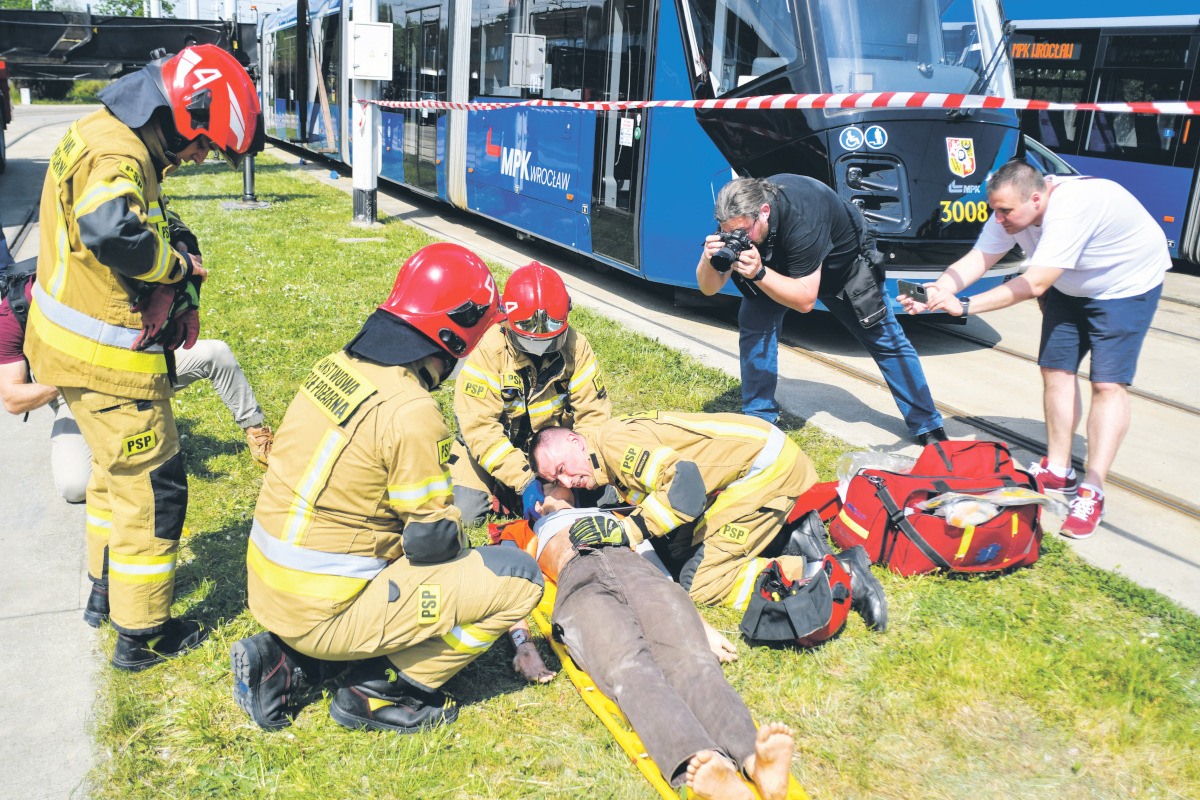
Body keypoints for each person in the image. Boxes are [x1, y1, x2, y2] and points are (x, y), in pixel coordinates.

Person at [230, 243, 545, 734]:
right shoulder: (412, 410)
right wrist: (458, 525)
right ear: (453, 334)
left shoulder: (335, 365)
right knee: (516, 575)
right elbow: (432, 544)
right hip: (325, 605)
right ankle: (380, 690)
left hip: (271, 587)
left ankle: (289, 661)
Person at [21, 44, 264, 671]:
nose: (201, 156)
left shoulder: (108, 131)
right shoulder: (118, 152)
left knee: (109, 479)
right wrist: (177, 268)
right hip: (108, 362)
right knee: (152, 490)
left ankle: (105, 593)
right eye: (203, 142)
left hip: (73, 353)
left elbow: (145, 220)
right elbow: (114, 233)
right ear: (182, 114)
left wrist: (175, 286)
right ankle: (143, 631)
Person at [898, 161, 1170, 539]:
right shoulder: (1011, 212)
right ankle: (1058, 470)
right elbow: (980, 258)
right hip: (1070, 282)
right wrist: (941, 290)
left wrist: (965, 307)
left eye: (1005, 211)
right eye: (995, 209)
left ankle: (1092, 488)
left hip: (1123, 284)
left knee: (1108, 385)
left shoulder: (1072, 209)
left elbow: (1036, 282)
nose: (999, 218)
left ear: (1037, 198)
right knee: (1055, 370)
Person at [498, 505, 796, 800]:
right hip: (580, 582)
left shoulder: (612, 513)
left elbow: (653, 561)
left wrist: (700, 624)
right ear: (534, 503)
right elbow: (511, 584)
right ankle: (707, 764)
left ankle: (754, 761)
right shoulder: (524, 530)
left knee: (692, 658)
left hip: (638, 571)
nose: (558, 483)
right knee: (630, 670)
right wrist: (523, 643)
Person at [529, 411, 887, 638]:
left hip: (766, 470)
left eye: (562, 469)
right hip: (756, 461)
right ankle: (794, 535)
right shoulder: (604, 449)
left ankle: (829, 570)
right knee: (678, 553)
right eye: (556, 479)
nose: (567, 481)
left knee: (698, 581)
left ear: (576, 442)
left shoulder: (615, 448)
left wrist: (628, 530)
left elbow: (686, 489)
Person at [697, 175, 947, 445]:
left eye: (744, 232)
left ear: (764, 212)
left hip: (843, 270)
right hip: (775, 267)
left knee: (885, 338)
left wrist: (759, 273)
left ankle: (927, 425)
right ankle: (759, 418)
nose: (739, 238)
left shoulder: (803, 217)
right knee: (754, 325)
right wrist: (708, 259)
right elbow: (709, 288)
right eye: (729, 231)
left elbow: (805, 300)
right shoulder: (737, 218)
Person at [2, 269, 273, 509]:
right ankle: (114, 447)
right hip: (76, 393)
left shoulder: (103, 279)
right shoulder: (13, 313)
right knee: (75, 487)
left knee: (216, 353)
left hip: (134, 368)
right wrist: (73, 375)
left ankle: (257, 434)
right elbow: (13, 399)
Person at [450, 261, 611, 524]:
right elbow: (479, 429)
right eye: (528, 340)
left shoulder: (576, 347)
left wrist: (575, 472)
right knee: (466, 514)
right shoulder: (488, 350)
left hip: (553, 457)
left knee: (606, 497)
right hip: (496, 450)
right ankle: (498, 489)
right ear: (507, 322)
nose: (539, 349)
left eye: (550, 341)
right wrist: (525, 480)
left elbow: (594, 416)